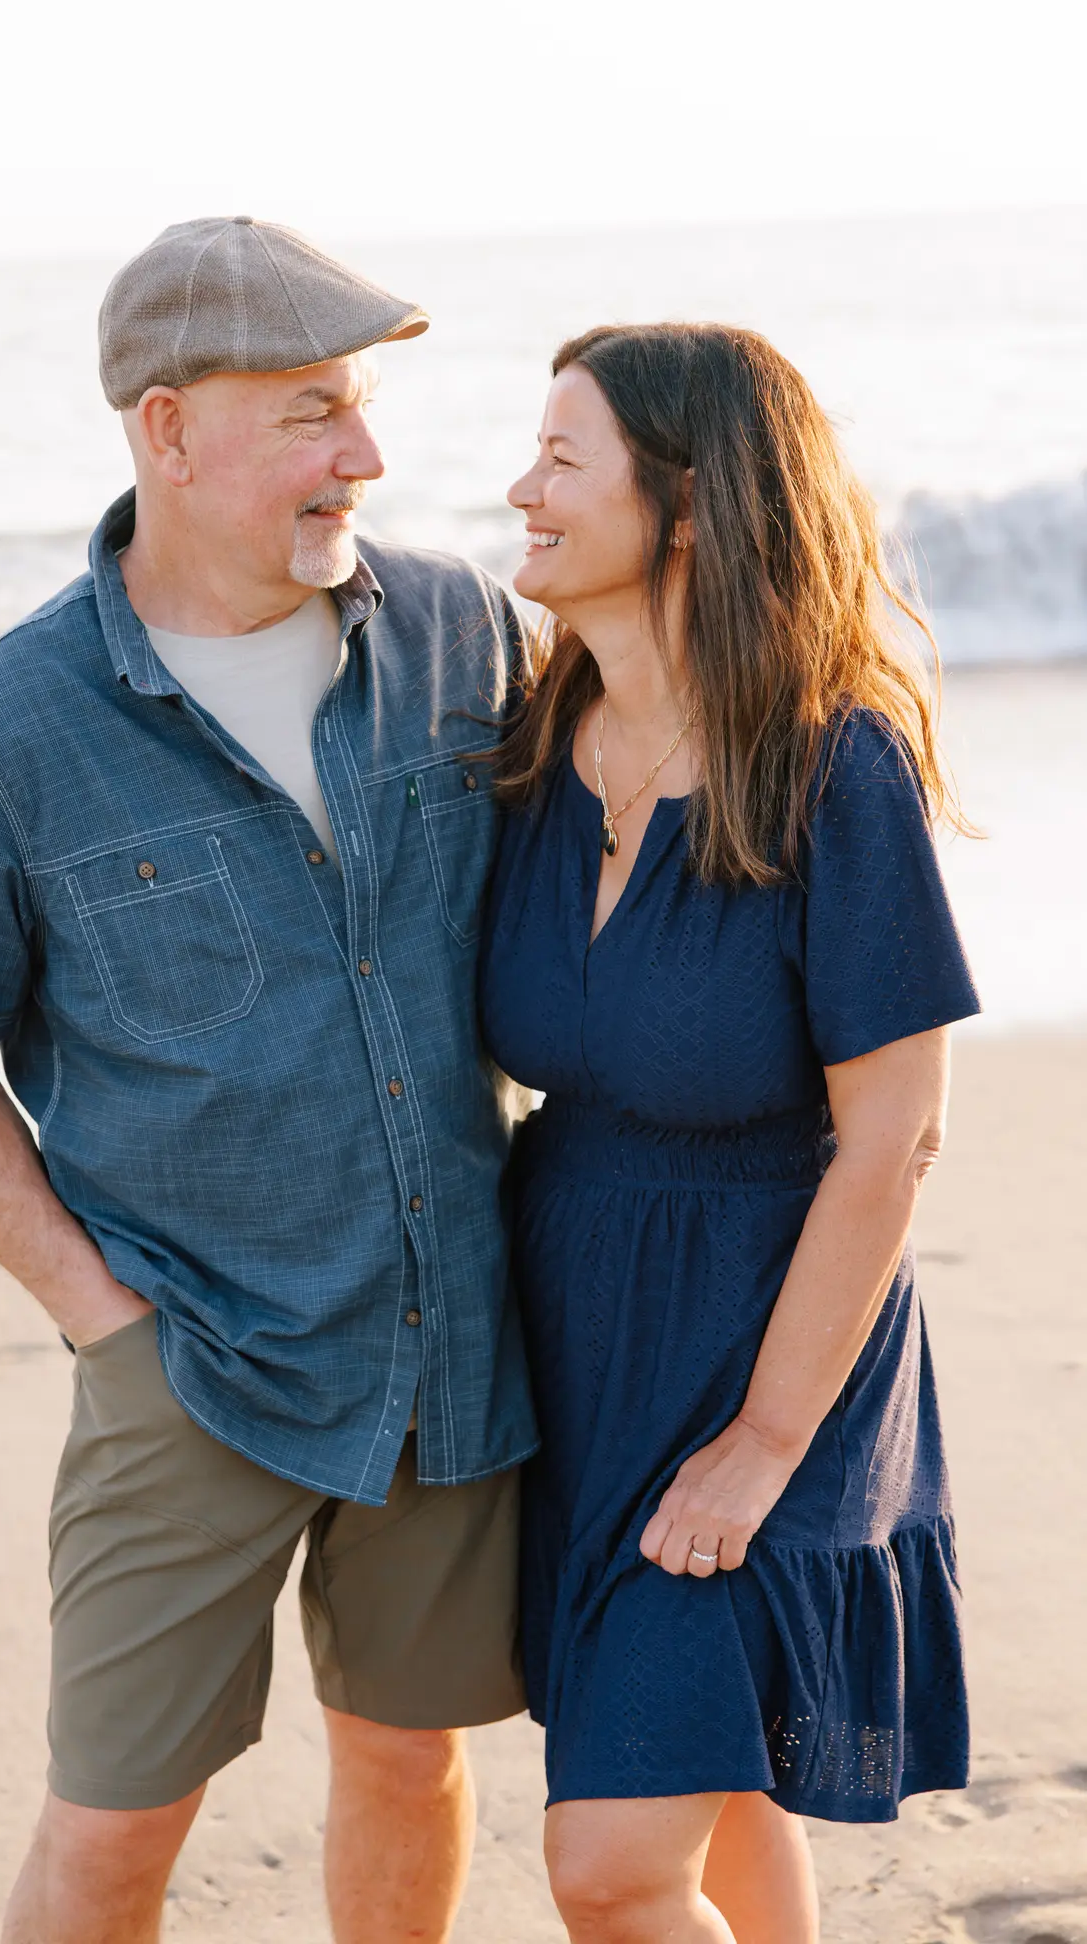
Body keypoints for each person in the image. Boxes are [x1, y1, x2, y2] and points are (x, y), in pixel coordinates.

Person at [0, 216, 542, 1944]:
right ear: (166, 431)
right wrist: (103, 1321)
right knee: (112, 1835)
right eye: (311, 410)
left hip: (446, 1347)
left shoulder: (460, 634)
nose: (364, 454)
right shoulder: (5, 730)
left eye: (363, 408)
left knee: (407, 1763)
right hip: (191, 1365)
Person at [480, 322, 980, 1944]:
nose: (519, 491)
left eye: (562, 460)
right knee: (717, 1780)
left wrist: (764, 1441)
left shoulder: (832, 766)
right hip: (584, 1343)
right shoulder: (534, 743)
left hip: (780, 1350)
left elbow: (893, 1129)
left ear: (687, 508)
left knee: (613, 1867)